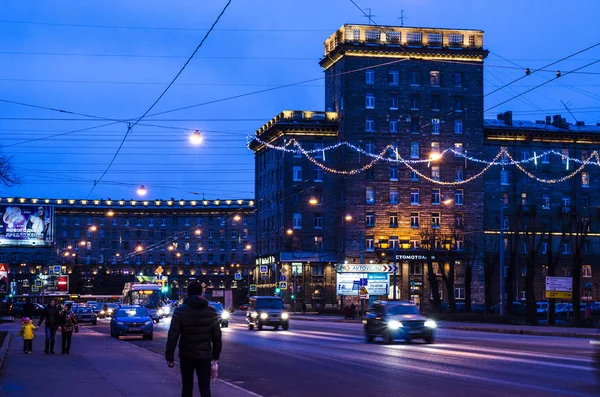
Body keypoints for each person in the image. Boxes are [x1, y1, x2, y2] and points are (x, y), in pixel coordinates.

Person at [166, 282, 222, 397]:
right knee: (205, 387)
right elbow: (217, 336)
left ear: (188, 294)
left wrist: (169, 356)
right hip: (205, 355)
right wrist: (215, 356)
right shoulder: (211, 311)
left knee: (187, 387)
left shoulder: (180, 311)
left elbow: (173, 334)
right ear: (201, 293)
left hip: (186, 355)